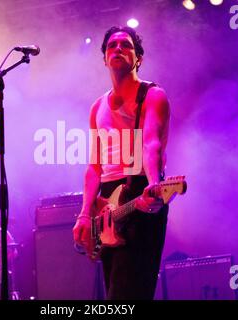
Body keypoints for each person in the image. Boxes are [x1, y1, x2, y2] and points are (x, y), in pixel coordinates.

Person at [73, 26, 170, 300]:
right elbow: (94, 166)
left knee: (128, 292)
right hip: (106, 202)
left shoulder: (152, 95)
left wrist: (153, 185)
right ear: (104, 59)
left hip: (140, 189)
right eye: (112, 46)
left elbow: (150, 144)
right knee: (114, 289)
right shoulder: (97, 107)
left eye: (125, 45)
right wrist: (84, 214)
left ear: (137, 57)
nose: (117, 49)